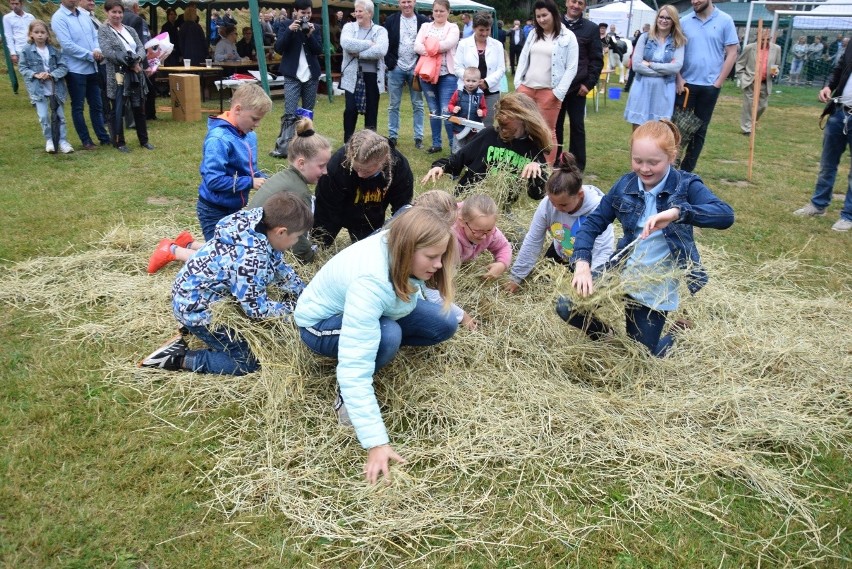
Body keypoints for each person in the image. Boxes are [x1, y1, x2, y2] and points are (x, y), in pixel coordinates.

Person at [294, 206, 459, 485]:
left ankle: (379, 338)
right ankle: (345, 397)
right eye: (432, 257)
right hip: (320, 325)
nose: (439, 264)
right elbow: (356, 363)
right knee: (388, 335)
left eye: (442, 256)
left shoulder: (399, 250)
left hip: (373, 307)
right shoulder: (370, 281)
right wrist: (375, 442)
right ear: (407, 249)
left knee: (445, 322)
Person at [557, 120, 734, 356]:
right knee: (566, 306)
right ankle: (606, 335)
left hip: (655, 286)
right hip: (621, 271)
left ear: (671, 157)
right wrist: (582, 263)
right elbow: (593, 223)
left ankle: (677, 334)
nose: (644, 169)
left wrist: (678, 213)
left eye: (654, 162)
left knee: (641, 357)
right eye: (637, 160)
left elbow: (725, 215)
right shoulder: (625, 185)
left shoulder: (687, 185)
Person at [140, 193, 312, 376]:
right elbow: (257, 310)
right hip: (195, 309)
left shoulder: (255, 226)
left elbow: (279, 267)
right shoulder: (250, 259)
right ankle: (179, 357)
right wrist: (294, 308)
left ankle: (192, 330)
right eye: (298, 236)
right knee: (246, 362)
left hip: (196, 294)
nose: (297, 242)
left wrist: (305, 293)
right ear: (281, 232)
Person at [505, 152, 614, 293]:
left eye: (563, 205)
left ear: (579, 195)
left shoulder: (599, 210)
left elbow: (603, 252)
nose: (556, 209)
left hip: (587, 263)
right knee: (540, 290)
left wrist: (592, 282)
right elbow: (533, 240)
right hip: (561, 252)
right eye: (552, 202)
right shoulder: (547, 205)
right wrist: (516, 277)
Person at [421, 91, 550, 203]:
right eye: (501, 125)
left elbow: (537, 194)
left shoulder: (533, 149)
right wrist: (440, 166)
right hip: (468, 199)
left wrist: (537, 172)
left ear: (524, 119)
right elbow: (459, 159)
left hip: (498, 209)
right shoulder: (490, 135)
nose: (502, 130)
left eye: (507, 125)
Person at [248, 119, 332, 263]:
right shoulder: (299, 193)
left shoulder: (284, 177)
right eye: (321, 166)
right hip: (258, 254)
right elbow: (298, 240)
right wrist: (311, 260)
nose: (325, 171)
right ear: (301, 163)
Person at [197, 83, 272, 241]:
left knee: (234, 250)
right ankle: (173, 250)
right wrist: (250, 182)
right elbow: (213, 180)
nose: (257, 124)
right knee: (219, 255)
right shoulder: (219, 139)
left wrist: (266, 179)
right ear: (237, 109)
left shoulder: (249, 136)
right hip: (214, 209)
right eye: (254, 118)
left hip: (235, 207)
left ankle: (188, 244)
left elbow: (252, 171)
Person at [313, 129, 414, 246]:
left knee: (367, 247)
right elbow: (326, 209)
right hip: (341, 208)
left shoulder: (399, 166)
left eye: (366, 171)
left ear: (383, 161)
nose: (360, 174)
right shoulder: (337, 166)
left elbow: (402, 207)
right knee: (321, 240)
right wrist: (320, 242)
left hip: (371, 214)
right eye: (356, 169)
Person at [792, 44, 852, 232]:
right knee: (827, 164)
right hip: (840, 111)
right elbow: (840, 67)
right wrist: (829, 86)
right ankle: (818, 204)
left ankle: (848, 215)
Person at [675, 0, 738, 172]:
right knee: (679, 129)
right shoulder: (684, 21)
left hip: (710, 87)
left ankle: (686, 172)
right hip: (686, 86)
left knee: (700, 131)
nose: (694, 1)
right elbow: (675, 50)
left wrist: (718, 82)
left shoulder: (725, 20)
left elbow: (732, 53)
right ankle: (671, 168)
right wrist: (678, 77)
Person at [514, 0, 578, 164]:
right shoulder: (533, 34)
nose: (541, 20)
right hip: (526, 89)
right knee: (522, 129)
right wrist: (518, 84)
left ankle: (545, 171)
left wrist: (558, 93)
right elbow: (523, 58)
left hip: (549, 91)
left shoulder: (568, 37)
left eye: (544, 15)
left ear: (554, 14)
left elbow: (572, 68)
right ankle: (523, 165)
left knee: (547, 132)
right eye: (538, 16)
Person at [52, 0, 111, 150]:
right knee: (78, 107)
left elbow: (94, 37)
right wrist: (90, 55)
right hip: (75, 69)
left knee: (97, 105)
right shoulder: (59, 18)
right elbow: (67, 45)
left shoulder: (85, 16)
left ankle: (104, 137)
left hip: (92, 68)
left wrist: (97, 50)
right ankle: (86, 140)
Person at [269, 0, 323, 158]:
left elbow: (318, 50)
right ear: (295, 12)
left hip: (310, 74)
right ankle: (284, 147)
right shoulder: (285, 25)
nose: (306, 16)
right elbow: (278, 48)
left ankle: (306, 147)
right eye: (303, 13)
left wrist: (310, 35)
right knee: (290, 112)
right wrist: (290, 31)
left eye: (308, 13)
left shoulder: (315, 28)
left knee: (307, 113)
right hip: (292, 74)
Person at [555, 0, 603, 172]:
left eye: (580, 3)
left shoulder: (591, 28)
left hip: (577, 87)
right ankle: (554, 159)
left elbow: (596, 60)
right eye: (573, 1)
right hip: (556, 86)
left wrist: (588, 84)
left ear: (584, 6)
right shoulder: (554, 22)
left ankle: (577, 165)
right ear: (567, 2)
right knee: (554, 126)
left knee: (577, 126)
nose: (576, 6)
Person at [99, 0, 151, 153]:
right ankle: (119, 141)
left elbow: (141, 47)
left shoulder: (129, 29)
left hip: (135, 74)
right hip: (118, 74)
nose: (117, 15)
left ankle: (144, 140)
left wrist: (138, 60)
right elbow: (108, 52)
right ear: (107, 12)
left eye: (119, 12)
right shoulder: (104, 30)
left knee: (138, 107)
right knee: (118, 108)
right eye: (114, 12)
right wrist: (130, 63)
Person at [624, 5, 686, 130]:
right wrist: (665, 70)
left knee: (659, 132)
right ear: (657, 18)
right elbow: (636, 65)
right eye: (661, 17)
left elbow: (676, 67)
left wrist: (650, 64)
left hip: (664, 91)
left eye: (668, 18)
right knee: (638, 131)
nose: (664, 20)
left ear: (673, 21)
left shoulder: (678, 41)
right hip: (642, 88)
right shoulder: (645, 37)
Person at [18, 20, 74, 154]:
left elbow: (63, 67)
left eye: (43, 32)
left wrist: (51, 75)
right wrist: (35, 74)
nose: (40, 35)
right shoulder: (26, 51)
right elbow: (22, 67)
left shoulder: (54, 51)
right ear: (31, 34)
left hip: (55, 87)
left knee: (60, 116)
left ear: (48, 35)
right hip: (38, 89)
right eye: (36, 32)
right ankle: (49, 139)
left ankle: (63, 141)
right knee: (43, 116)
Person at [415, 0, 461, 154]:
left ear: (448, 12)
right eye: (436, 11)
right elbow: (416, 46)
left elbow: (448, 44)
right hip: (427, 75)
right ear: (432, 11)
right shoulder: (425, 27)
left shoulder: (453, 27)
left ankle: (453, 145)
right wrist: (435, 47)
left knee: (446, 111)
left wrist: (428, 45)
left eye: (442, 11)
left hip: (447, 75)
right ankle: (436, 143)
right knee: (434, 111)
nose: (439, 14)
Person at [340, 0, 389, 142]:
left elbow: (381, 50)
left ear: (369, 13)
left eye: (360, 11)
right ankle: (347, 142)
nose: (357, 14)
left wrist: (359, 54)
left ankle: (370, 143)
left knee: (372, 111)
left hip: (373, 76)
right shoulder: (349, 27)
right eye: (356, 10)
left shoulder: (380, 30)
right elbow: (346, 44)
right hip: (352, 76)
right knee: (350, 109)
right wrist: (369, 44)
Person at [383, 0, 429, 150]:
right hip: (396, 67)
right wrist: (391, 62)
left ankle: (418, 137)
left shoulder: (423, 21)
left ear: (414, 2)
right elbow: (385, 43)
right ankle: (393, 136)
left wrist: (421, 63)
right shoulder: (391, 20)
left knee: (418, 104)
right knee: (393, 104)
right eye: (404, 1)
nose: (407, 5)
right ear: (399, 3)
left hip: (416, 67)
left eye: (409, 1)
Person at [454, 11, 505, 127]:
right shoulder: (463, 44)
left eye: (487, 30)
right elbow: (457, 67)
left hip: (491, 92)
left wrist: (487, 82)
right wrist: (472, 80)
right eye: (481, 30)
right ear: (474, 28)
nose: (485, 33)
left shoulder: (497, 45)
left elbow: (501, 69)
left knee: (487, 127)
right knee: (467, 124)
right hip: (468, 92)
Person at [736, 30, 781, 136]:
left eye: (768, 39)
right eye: (762, 39)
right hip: (751, 81)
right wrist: (743, 78)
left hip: (765, 82)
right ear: (757, 38)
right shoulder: (749, 48)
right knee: (749, 105)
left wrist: (774, 72)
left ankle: (752, 121)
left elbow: (776, 64)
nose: (765, 42)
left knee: (762, 106)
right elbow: (740, 64)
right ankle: (747, 128)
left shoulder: (776, 49)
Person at [447, 66, 487, 153]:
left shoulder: (480, 95)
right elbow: (450, 104)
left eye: (474, 81)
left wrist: (482, 112)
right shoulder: (458, 92)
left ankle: (469, 163)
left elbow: (484, 109)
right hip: (459, 127)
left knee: (471, 148)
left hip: (474, 128)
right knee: (457, 149)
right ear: (463, 80)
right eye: (468, 81)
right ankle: (455, 163)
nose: (470, 84)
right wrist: (453, 109)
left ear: (479, 81)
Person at [3, 0, 34, 66]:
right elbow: (8, 36)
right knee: (26, 71)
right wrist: (13, 53)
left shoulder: (30, 17)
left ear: (21, 4)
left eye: (17, 4)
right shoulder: (7, 18)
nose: (14, 6)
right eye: (12, 4)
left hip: (33, 47)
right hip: (20, 49)